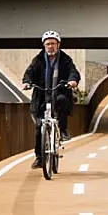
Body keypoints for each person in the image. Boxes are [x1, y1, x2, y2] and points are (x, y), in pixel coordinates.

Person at [21, 31, 80, 166]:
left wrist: (72, 81)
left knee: (62, 100)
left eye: (53, 43)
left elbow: (73, 72)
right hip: (42, 94)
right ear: (44, 46)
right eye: (48, 44)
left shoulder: (65, 59)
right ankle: (40, 157)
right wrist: (27, 82)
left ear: (58, 45)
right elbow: (30, 72)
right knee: (40, 127)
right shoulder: (39, 59)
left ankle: (63, 129)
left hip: (59, 90)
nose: (51, 47)